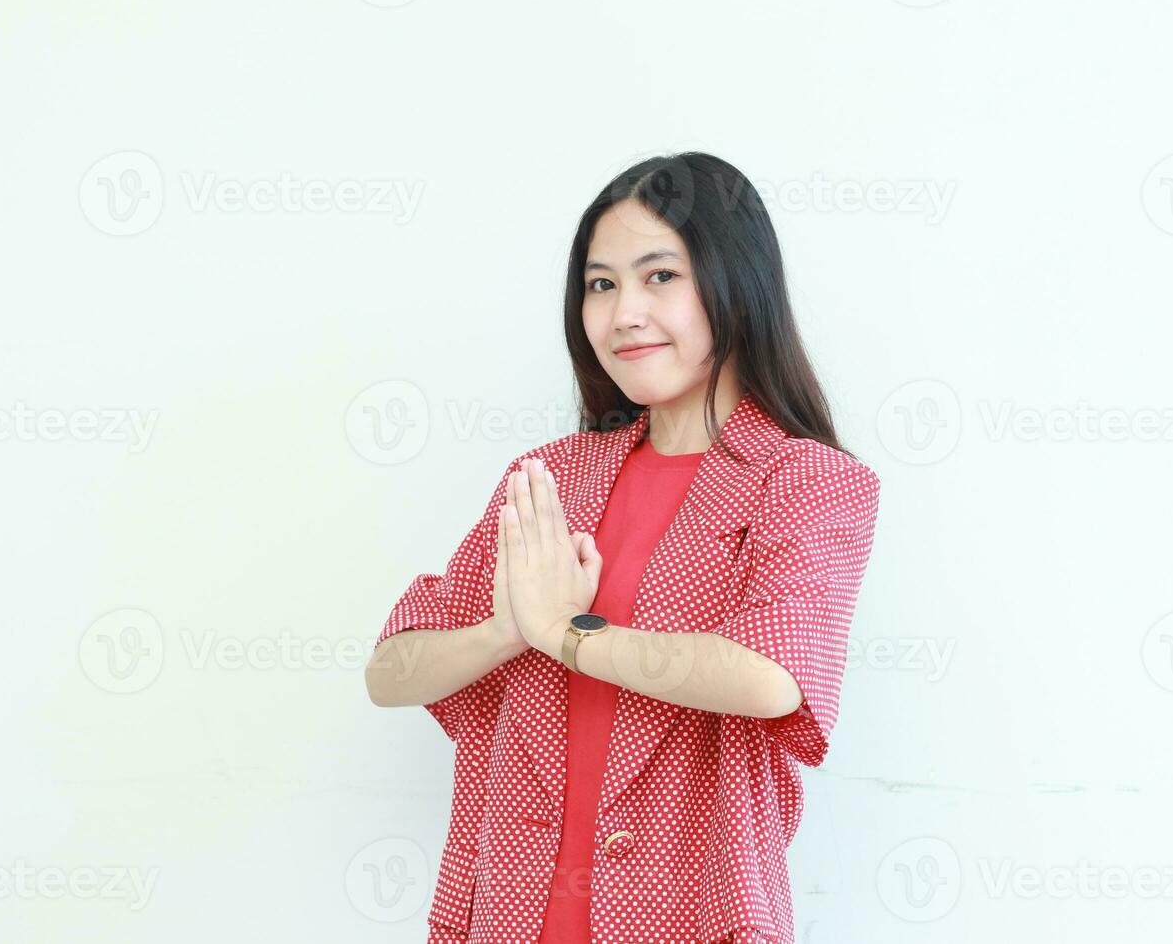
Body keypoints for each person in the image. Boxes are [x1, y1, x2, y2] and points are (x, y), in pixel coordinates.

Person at [365, 152, 883, 943]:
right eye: (600, 284)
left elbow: (771, 677)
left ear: (734, 281)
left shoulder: (807, 479)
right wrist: (506, 630)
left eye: (659, 276)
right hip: (509, 914)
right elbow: (389, 670)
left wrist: (564, 634)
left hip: (692, 918)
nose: (623, 314)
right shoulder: (551, 479)